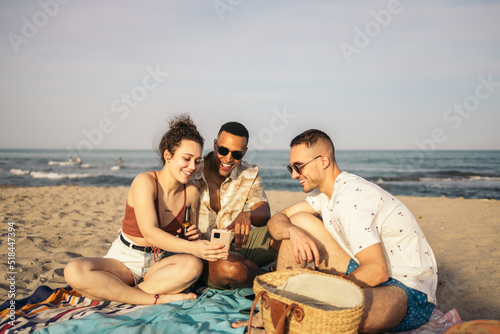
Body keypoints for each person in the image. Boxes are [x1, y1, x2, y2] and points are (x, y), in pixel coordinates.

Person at [242, 129, 438, 333]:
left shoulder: (351, 199)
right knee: (298, 221)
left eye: (299, 167)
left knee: (326, 318)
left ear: (323, 160)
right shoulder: (326, 194)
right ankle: (279, 304)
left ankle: (284, 308)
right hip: (361, 268)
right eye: (290, 167)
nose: (294, 175)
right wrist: (292, 231)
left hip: (407, 289)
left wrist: (320, 287)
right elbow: (276, 221)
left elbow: (376, 271)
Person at [64, 114, 229, 305]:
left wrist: (194, 237)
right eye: (187, 158)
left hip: (159, 263)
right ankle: (153, 298)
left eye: (197, 160)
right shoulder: (145, 182)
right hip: (125, 260)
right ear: (168, 155)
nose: (193, 166)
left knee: (193, 265)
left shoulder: (190, 191)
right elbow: (150, 233)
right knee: (74, 270)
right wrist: (194, 247)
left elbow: (184, 237)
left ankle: (126, 294)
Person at [192, 121, 277, 289]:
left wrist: (248, 215)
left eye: (237, 154)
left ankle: (256, 270)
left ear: (244, 152)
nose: (229, 158)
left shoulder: (249, 173)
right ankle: (265, 276)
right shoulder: (193, 169)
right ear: (215, 144)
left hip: (237, 244)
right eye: (223, 150)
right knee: (233, 269)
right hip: (201, 252)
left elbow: (264, 212)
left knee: (286, 230)